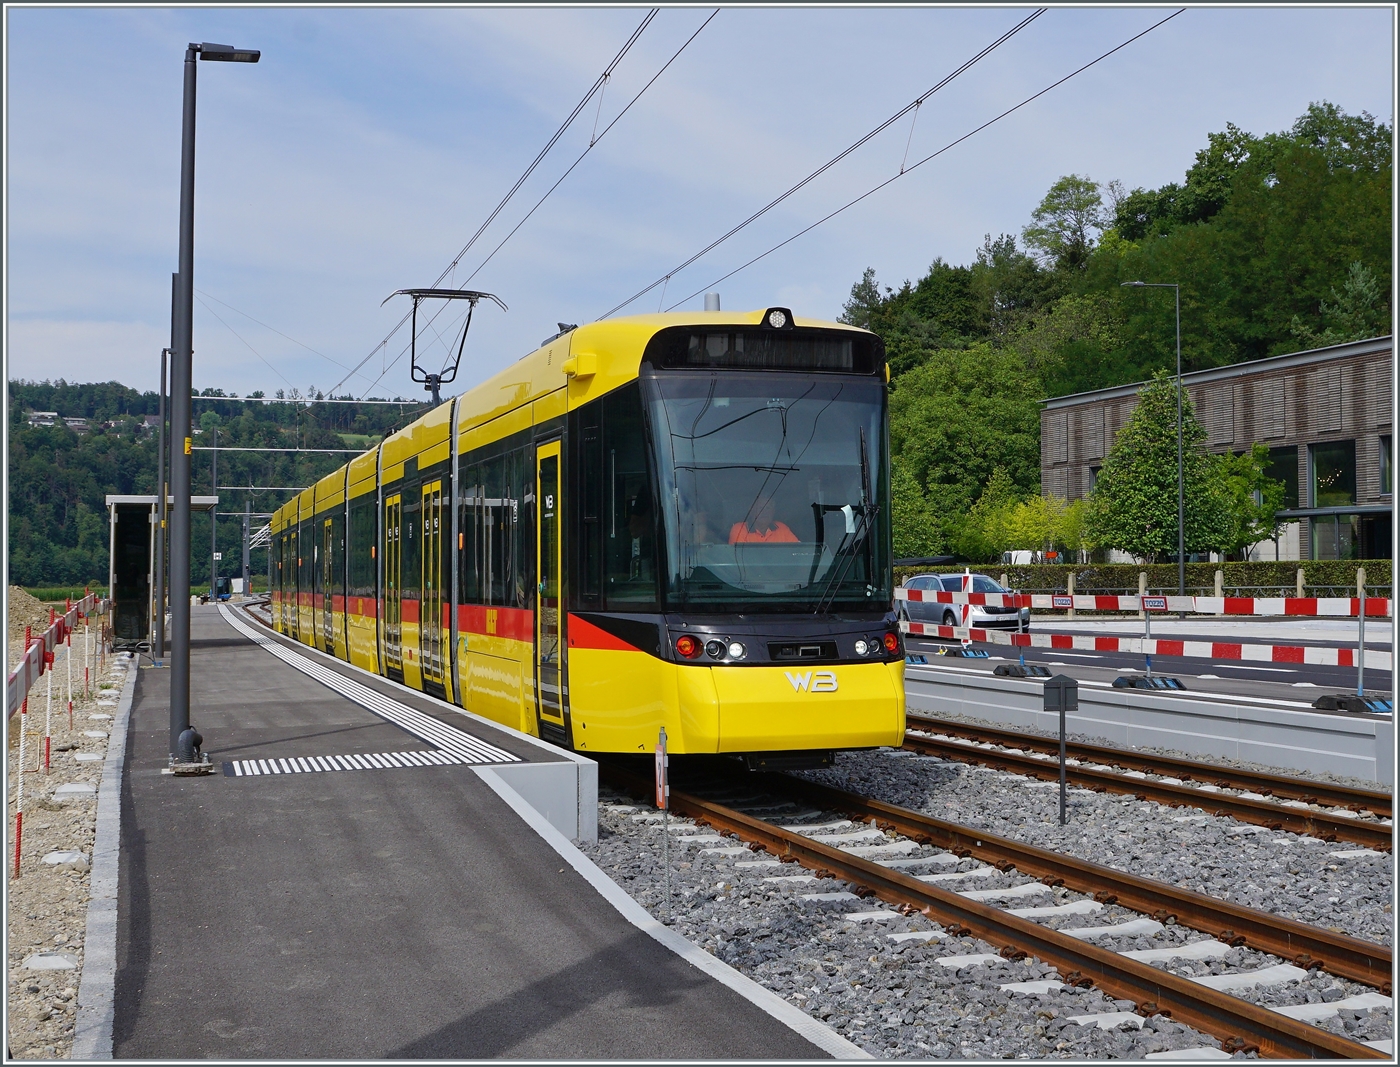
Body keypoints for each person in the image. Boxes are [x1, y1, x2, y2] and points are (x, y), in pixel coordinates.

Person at [729, 496, 798, 544]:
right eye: (760, 508)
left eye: (768, 508)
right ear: (751, 510)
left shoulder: (782, 528)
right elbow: (740, 559)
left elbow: (798, 553)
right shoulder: (739, 529)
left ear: (773, 511)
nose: (764, 512)